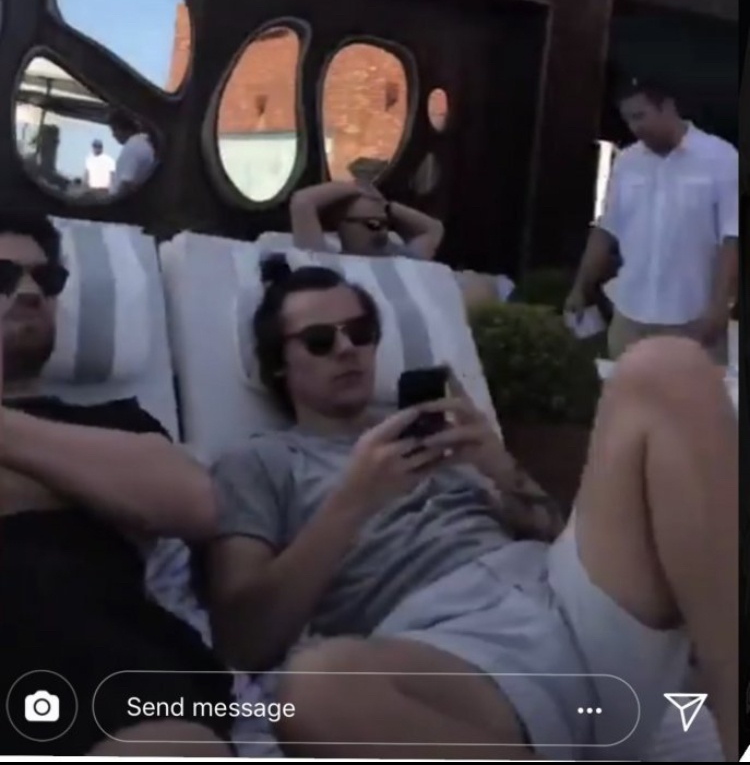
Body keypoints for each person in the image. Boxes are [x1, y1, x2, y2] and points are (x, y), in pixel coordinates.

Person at [204, 255, 737, 761]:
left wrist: (499, 466)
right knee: (313, 690)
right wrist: (353, 499)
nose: (347, 349)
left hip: (561, 595)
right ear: (279, 366)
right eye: (321, 341)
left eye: (361, 332)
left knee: (666, 366)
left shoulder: (435, 424)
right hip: (454, 663)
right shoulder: (260, 462)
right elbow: (245, 639)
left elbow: (554, 530)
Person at [0, 212, 233, 757]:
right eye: (2, 277)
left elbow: (194, 503)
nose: (30, 292)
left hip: (101, 661)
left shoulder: (117, 420)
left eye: (47, 279)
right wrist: (77, 483)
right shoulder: (100, 449)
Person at [565, 77, 738, 363]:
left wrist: (720, 305)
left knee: (690, 391)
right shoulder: (627, 162)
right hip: (630, 313)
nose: (635, 127)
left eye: (640, 116)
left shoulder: (720, 158)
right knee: (625, 388)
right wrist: (580, 287)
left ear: (667, 107)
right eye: (628, 120)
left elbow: (731, 237)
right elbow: (606, 229)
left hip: (693, 316)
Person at [290, 180, 444, 259]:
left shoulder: (403, 258)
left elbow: (434, 229)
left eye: (386, 224)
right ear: (344, 226)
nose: (382, 233)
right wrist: (357, 187)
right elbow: (302, 201)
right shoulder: (323, 260)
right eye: (373, 225)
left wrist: (387, 206)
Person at [108, 110, 156, 196]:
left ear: (127, 129)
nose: (113, 135)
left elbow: (126, 184)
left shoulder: (133, 146)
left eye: (115, 130)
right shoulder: (143, 143)